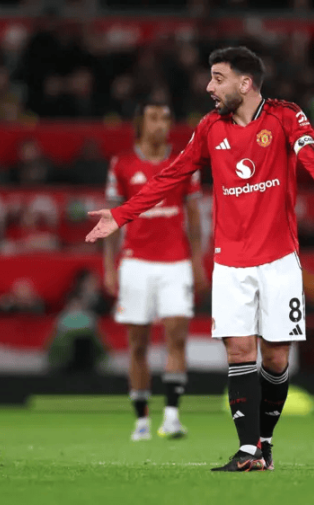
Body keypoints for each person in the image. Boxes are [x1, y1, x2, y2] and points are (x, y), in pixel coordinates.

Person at [86, 47, 314, 472]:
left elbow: (312, 158)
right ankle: (247, 451)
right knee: (240, 351)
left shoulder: (286, 116)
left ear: (245, 83)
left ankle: (265, 443)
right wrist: (120, 215)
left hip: (279, 260)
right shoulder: (210, 127)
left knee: (275, 359)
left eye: (218, 78)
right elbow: (171, 175)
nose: (209, 87)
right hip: (230, 263)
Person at [103, 101, 208, 441]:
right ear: (140, 123)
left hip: (176, 262)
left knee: (177, 336)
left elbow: (195, 216)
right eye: (153, 117)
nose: (161, 124)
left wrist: (197, 260)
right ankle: (142, 420)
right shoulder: (122, 164)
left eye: (165, 117)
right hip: (135, 262)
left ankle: (173, 417)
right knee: (138, 344)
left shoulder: (184, 162)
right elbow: (113, 219)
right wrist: (109, 266)